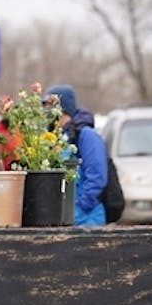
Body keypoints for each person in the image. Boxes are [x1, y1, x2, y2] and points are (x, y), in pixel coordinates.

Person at [46, 84, 110, 226]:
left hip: (88, 219)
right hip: (66, 219)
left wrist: (81, 207)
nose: (46, 111)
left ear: (62, 108)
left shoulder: (86, 135)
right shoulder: (57, 136)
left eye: (50, 105)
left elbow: (97, 176)